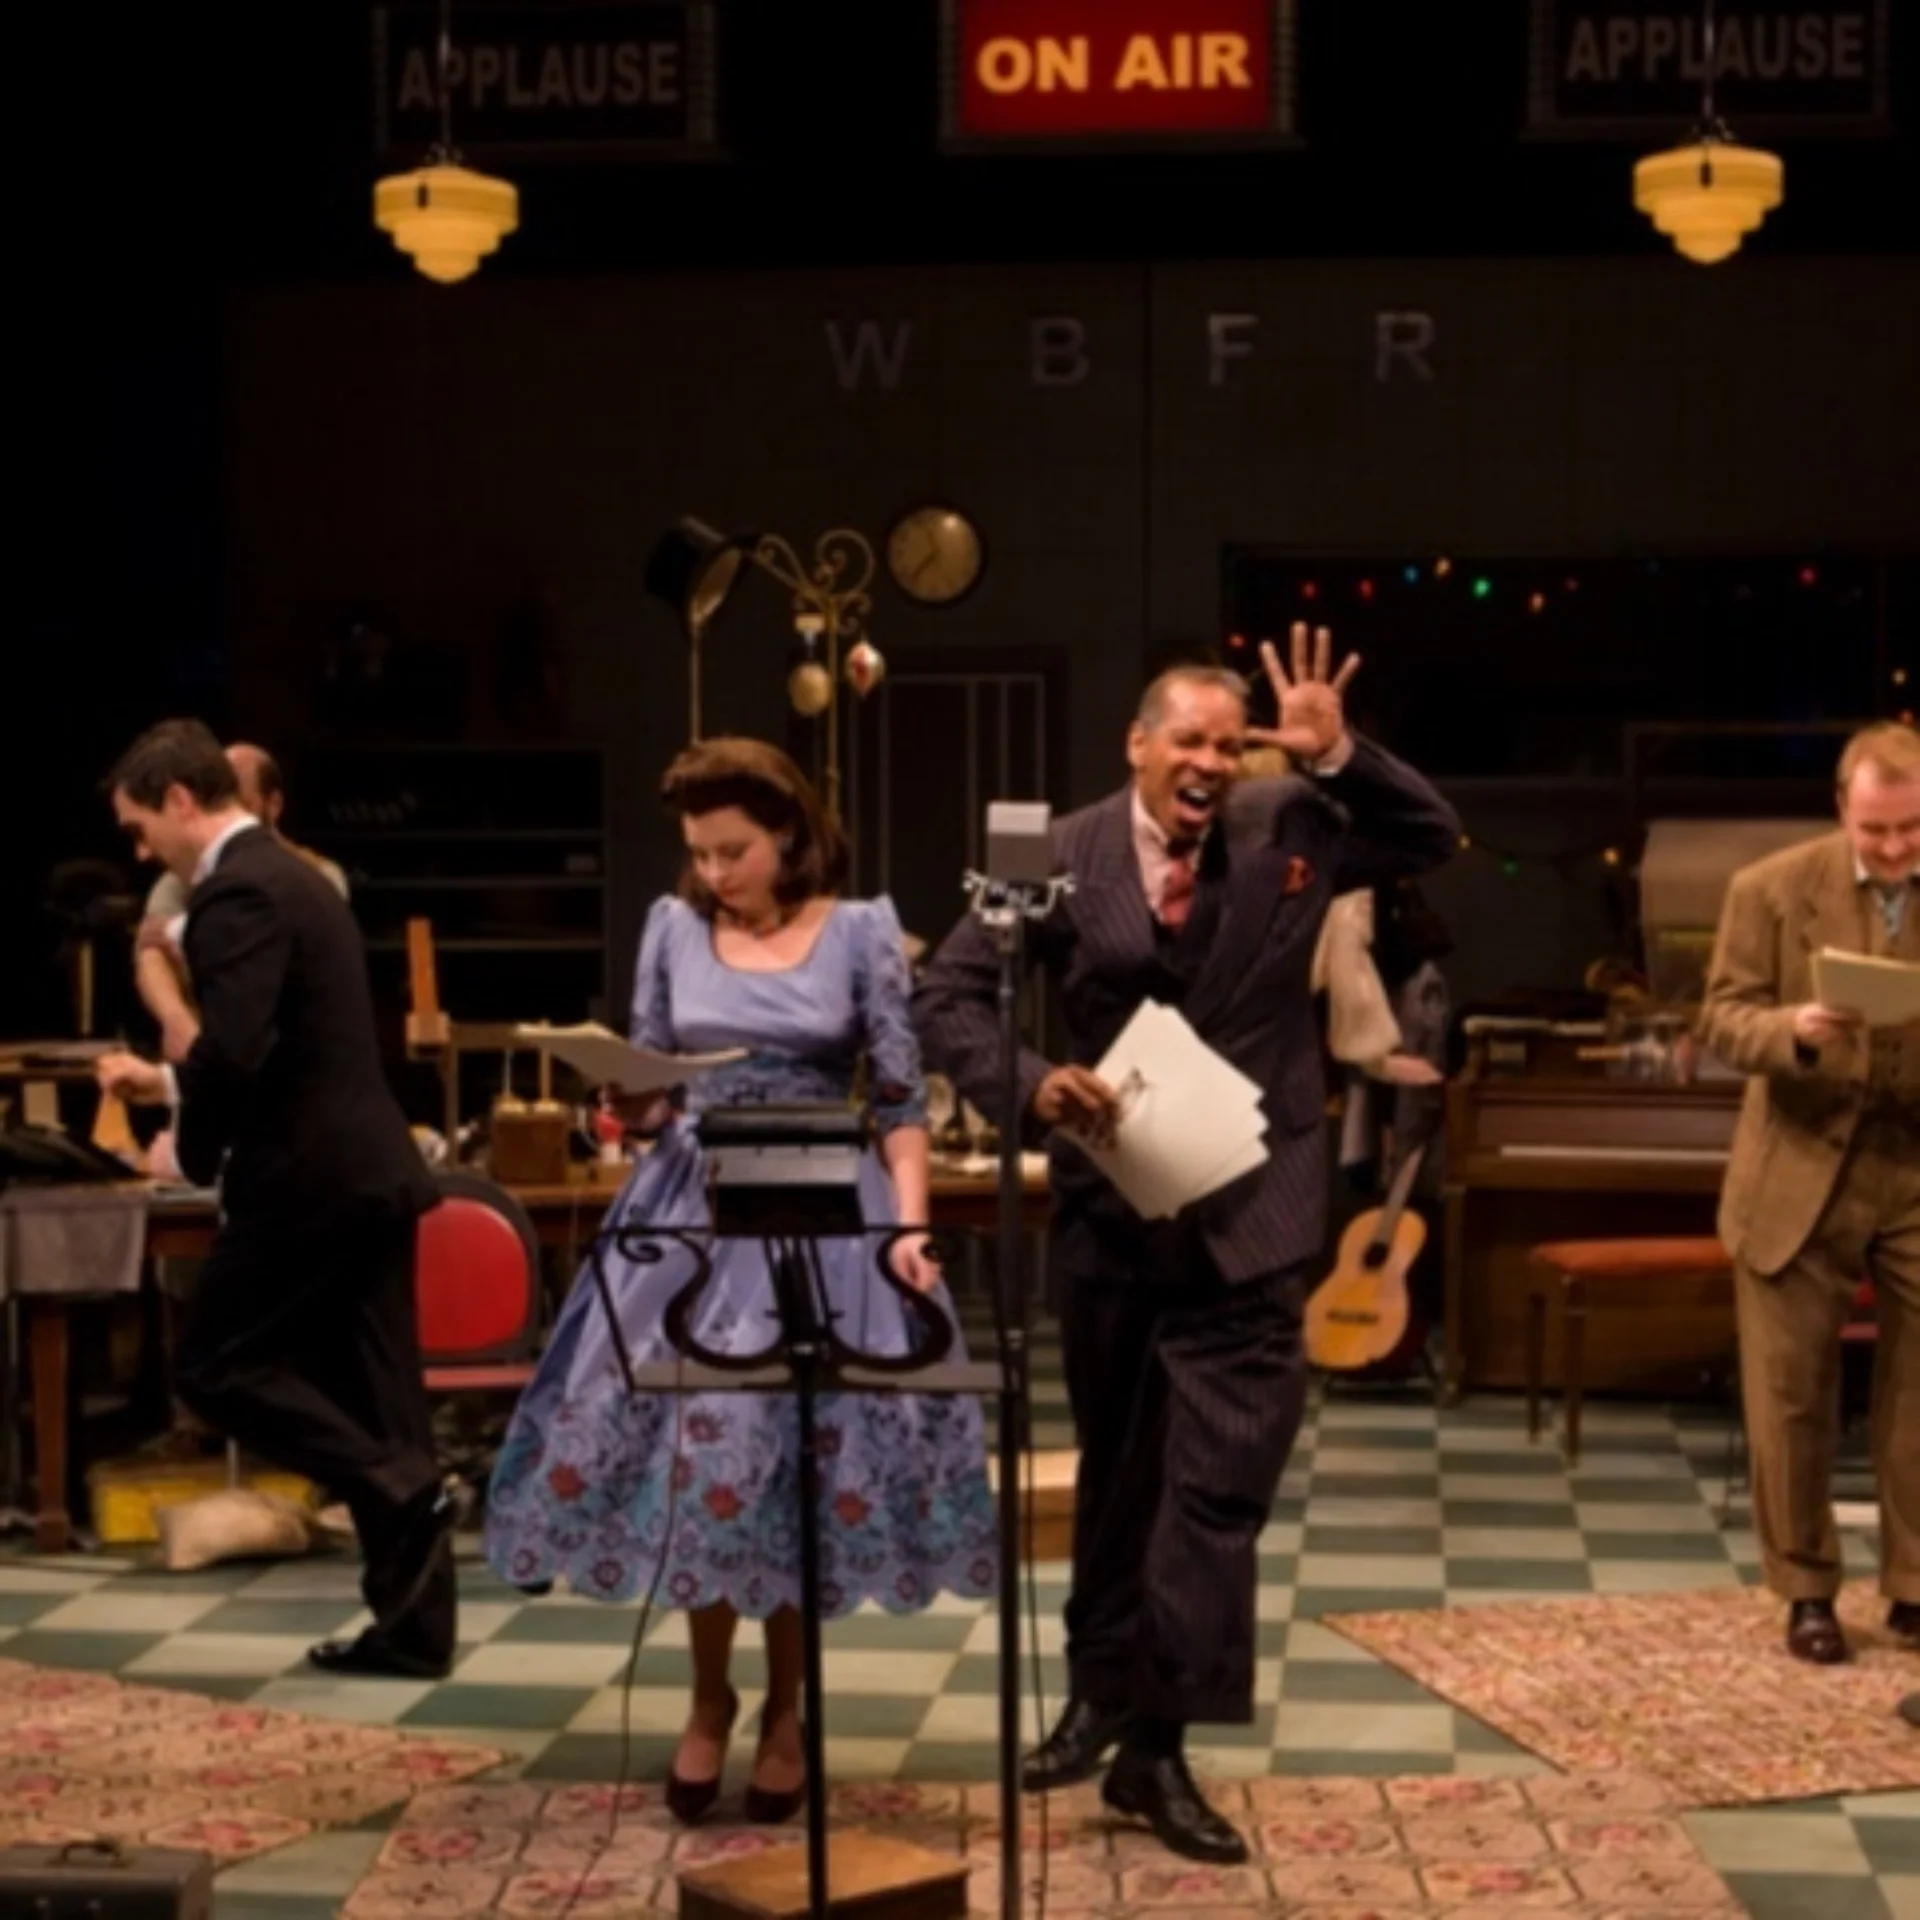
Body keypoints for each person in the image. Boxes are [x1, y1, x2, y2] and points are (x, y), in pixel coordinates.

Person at [913, 624, 1460, 1863]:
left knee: (1212, 1495)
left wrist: (1340, 756)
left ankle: (1159, 1749)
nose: (1211, 762)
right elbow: (945, 997)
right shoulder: (1059, 854)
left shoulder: (1294, 824)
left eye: (1231, 741)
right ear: (1139, 744)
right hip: (1116, 1213)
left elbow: (1429, 838)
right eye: (1189, 741)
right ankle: (1102, 1690)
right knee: (1117, 1481)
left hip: (1255, 1215)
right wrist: (1030, 1079)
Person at [483, 737, 996, 1827]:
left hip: (821, 1214)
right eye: (701, 853)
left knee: (798, 1469)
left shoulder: (860, 935)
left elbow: (900, 1104)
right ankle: (709, 1697)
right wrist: (631, 1104)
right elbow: (654, 1081)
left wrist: (909, 1234)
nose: (715, 872)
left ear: (791, 838)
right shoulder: (676, 930)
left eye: (735, 850)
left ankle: (784, 1711)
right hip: (696, 1218)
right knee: (703, 1457)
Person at [94, 719, 454, 1678]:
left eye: (140, 827)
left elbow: (238, 1052)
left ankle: (391, 1484)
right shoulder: (293, 874)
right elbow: (292, 1046)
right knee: (387, 1401)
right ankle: (414, 1628)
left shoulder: (239, 889)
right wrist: (176, 1089)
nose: (141, 850)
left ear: (180, 799)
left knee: (214, 1368)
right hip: (364, 1170)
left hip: (307, 1181)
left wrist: (191, 1149)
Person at [1698, 718, 1919, 1665]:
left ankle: (1914, 1586)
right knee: (1790, 1396)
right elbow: (1719, 1017)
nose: (1895, 847)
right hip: (1800, 1164)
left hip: (1913, 1164)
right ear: (1843, 810)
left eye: (1912, 829)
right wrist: (1793, 1028)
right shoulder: (1773, 890)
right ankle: (1806, 1591)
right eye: (1876, 830)